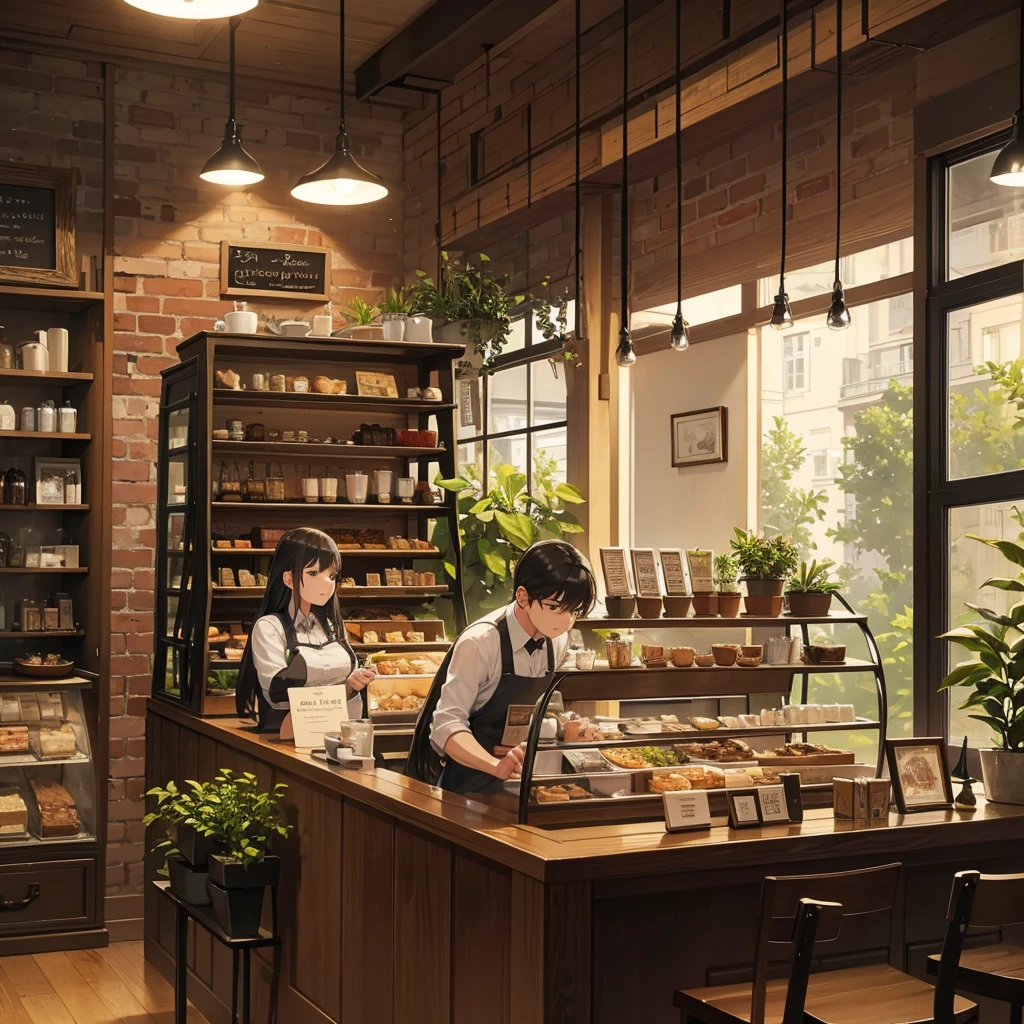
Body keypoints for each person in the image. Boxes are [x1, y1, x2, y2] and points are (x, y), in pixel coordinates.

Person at [406, 539, 596, 793]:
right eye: (553, 607)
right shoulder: (480, 642)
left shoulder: (557, 640)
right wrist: (495, 765)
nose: (565, 621)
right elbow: (445, 726)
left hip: (515, 782)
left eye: (574, 612)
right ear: (522, 596)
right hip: (461, 781)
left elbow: (536, 706)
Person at [235, 527, 375, 732]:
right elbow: (276, 692)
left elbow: (342, 692)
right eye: (313, 573)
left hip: (335, 733)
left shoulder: (332, 627)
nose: (327, 583)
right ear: (288, 579)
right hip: (283, 735)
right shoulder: (269, 628)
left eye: (332, 574)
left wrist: (353, 683)